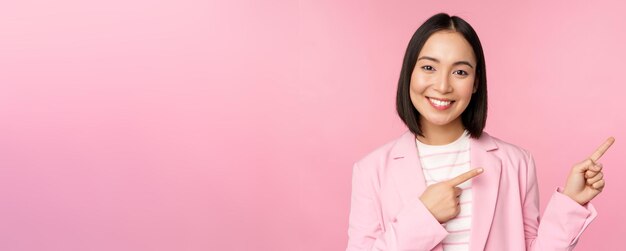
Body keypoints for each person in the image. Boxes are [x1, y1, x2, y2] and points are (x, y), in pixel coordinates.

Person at [346, 13, 614, 251]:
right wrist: (424, 215)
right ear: (409, 73)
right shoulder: (370, 171)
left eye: (460, 72)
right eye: (429, 67)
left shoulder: (516, 163)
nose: (442, 85)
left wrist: (571, 203)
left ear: (475, 83)